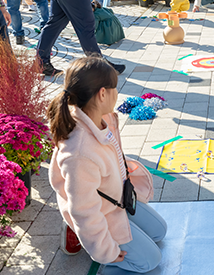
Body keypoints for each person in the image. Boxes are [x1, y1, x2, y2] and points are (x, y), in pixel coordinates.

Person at [48, 56, 166, 272]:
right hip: (101, 210)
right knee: (150, 261)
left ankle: (98, 237)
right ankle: (83, 236)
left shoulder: (102, 117)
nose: (118, 94)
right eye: (115, 88)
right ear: (103, 93)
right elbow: (84, 210)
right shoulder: (79, 152)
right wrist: (106, 251)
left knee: (159, 232)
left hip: (115, 198)